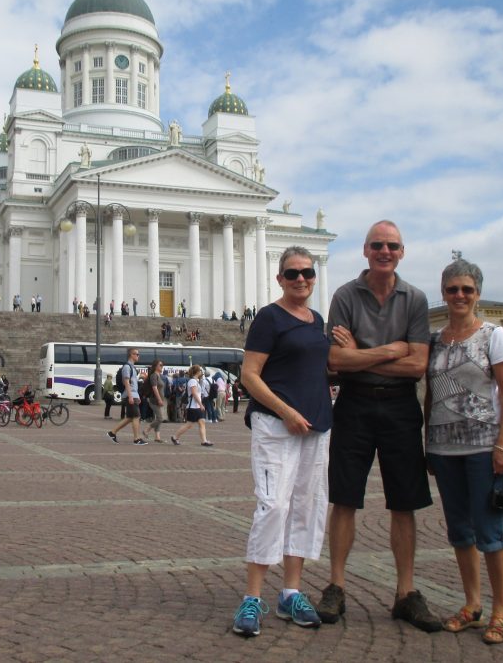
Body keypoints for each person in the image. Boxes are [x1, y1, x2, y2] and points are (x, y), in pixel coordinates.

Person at [316, 220, 440, 632]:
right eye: (377, 245)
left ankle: (406, 592)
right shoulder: (345, 295)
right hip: (354, 404)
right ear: (365, 251)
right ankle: (336, 585)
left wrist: (362, 355)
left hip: (401, 407)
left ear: (401, 252)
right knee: (344, 498)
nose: (385, 251)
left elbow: (418, 365)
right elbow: (336, 360)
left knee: (404, 501)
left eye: (392, 246)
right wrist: (391, 350)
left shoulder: (415, 299)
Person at [231, 246, 333, 637]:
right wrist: (285, 411)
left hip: (315, 425)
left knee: (306, 506)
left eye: (307, 272)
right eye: (292, 273)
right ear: (280, 279)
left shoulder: (317, 320)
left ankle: (291, 592)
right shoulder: (269, 318)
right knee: (273, 504)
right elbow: (249, 375)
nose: (301, 279)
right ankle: (253, 596)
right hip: (276, 425)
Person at [424, 259, 503, 645]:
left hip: (483, 448)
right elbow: (430, 395)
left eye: (467, 289)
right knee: (460, 531)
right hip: (444, 449)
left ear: (477, 293)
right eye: (452, 289)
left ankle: (501, 611)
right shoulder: (434, 340)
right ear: (443, 294)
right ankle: (472, 604)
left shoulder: (494, 335)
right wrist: (428, 443)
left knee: (490, 532)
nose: (459, 295)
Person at [107, 348, 148, 445]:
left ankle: (112, 433)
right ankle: (136, 439)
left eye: (138, 354)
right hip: (130, 394)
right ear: (131, 355)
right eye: (136, 354)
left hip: (133, 394)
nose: (138, 356)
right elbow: (126, 382)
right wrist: (130, 396)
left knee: (130, 417)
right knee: (136, 416)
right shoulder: (127, 367)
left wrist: (137, 396)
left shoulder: (132, 367)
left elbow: (133, 383)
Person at [171, 365, 213, 446]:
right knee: (189, 424)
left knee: (202, 422)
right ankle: (175, 437)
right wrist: (201, 404)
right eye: (200, 370)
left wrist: (200, 405)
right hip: (193, 407)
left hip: (197, 406)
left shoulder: (196, 381)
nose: (201, 372)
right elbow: (194, 393)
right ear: (196, 372)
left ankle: (204, 441)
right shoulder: (192, 381)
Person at [145, 360, 166, 443]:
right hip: (154, 400)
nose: (162, 366)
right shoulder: (154, 375)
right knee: (160, 418)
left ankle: (157, 437)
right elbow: (154, 388)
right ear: (155, 366)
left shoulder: (158, 375)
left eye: (162, 365)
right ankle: (146, 430)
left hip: (159, 400)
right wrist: (159, 399)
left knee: (158, 418)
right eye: (160, 365)